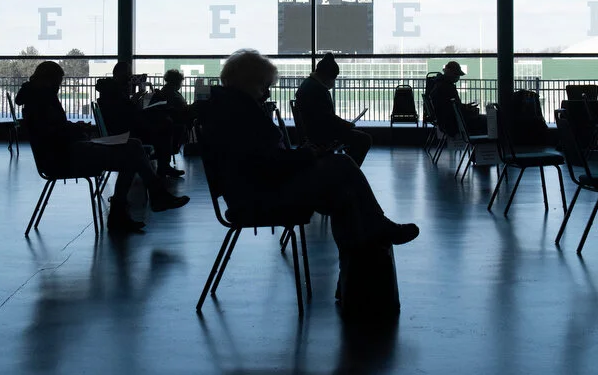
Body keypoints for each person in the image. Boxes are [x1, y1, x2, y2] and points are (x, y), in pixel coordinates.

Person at [201, 50, 418, 257]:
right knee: (342, 167)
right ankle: (371, 242)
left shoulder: (226, 110)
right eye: (264, 86)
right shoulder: (241, 115)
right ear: (250, 83)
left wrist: (304, 156)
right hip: (260, 198)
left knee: (343, 193)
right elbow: (265, 164)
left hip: (248, 194)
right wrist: (306, 156)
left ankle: (364, 255)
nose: (266, 93)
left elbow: (257, 162)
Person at [17, 61, 187, 234]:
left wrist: (75, 128)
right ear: (49, 80)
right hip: (64, 156)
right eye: (59, 82)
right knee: (133, 150)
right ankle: (144, 201)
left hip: (62, 152)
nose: (59, 87)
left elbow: (53, 129)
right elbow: (54, 132)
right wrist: (77, 129)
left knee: (133, 149)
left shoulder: (35, 98)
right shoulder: (42, 100)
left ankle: (138, 205)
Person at [96, 61, 183, 178]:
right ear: (120, 73)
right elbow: (125, 112)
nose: (129, 76)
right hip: (126, 132)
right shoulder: (114, 91)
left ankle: (162, 166)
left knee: (164, 124)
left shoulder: (110, 90)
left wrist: (134, 103)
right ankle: (163, 166)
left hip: (122, 129)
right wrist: (134, 101)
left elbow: (122, 111)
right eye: (128, 73)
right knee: (165, 125)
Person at [294, 54, 370, 165]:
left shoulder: (309, 84)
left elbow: (323, 116)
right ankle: (348, 170)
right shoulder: (318, 90)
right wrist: (346, 125)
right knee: (364, 139)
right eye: (333, 78)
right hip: (320, 134)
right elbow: (327, 119)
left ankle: (346, 168)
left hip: (314, 131)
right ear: (326, 75)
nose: (333, 81)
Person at [149, 69, 196, 157]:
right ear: (176, 81)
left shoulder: (167, 91)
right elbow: (178, 108)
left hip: (178, 117)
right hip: (178, 119)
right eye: (180, 82)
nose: (181, 84)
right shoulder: (170, 92)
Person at [427, 61, 478, 137]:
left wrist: (464, 107)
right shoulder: (448, 88)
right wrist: (467, 108)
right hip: (453, 123)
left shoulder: (438, 85)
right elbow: (454, 109)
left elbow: (450, 106)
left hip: (445, 122)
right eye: (456, 74)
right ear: (450, 74)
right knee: (486, 121)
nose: (458, 77)